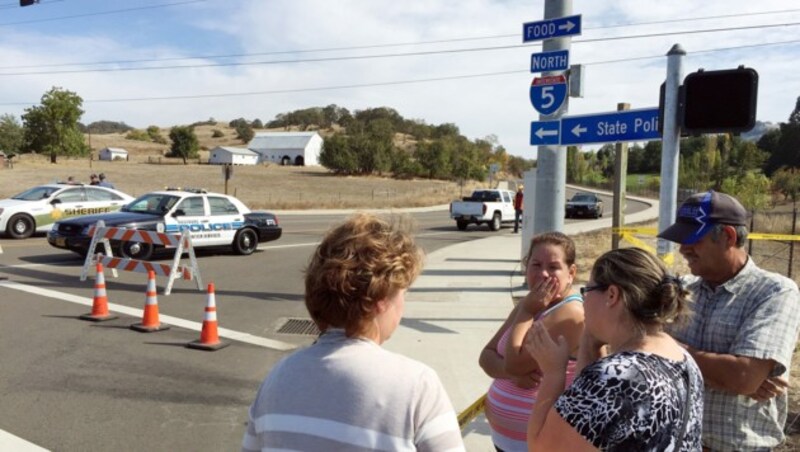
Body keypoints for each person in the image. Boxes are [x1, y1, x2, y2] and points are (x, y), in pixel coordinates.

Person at [242, 213, 465, 452]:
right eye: (403, 292)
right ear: (379, 300)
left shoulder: (277, 378)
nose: (404, 303)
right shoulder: (418, 387)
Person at [658, 190, 800, 451]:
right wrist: (728, 371)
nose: (683, 248)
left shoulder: (775, 292)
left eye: (692, 238)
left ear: (728, 236)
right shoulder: (682, 288)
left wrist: (666, 347)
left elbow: (743, 378)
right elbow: (633, 338)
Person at [526, 247, 704, 451]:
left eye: (587, 290)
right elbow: (583, 419)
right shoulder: (682, 357)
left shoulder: (616, 377)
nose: (583, 300)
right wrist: (589, 343)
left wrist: (553, 373)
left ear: (612, 295)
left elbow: (542, 448)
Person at [479, 231, 584, 452]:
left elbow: (514, 363)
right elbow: (486, 357)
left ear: (571, 272)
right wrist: (511, 374)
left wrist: (526, 310)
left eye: (554, 267)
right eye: (535, 265)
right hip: (506, 441)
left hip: (538, 443)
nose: (543, 273)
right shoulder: (533, 303)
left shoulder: (569, 313)